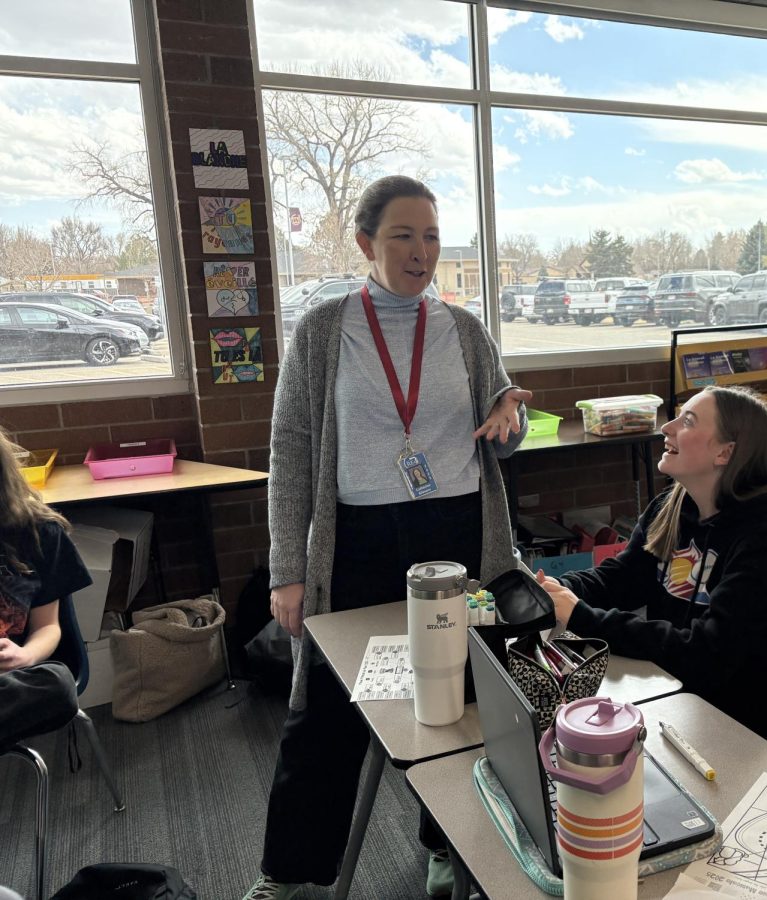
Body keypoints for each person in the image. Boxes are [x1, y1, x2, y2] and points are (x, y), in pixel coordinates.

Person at [245, 175, 531, 900]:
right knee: (331, 707)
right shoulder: (323, 329)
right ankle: (287, 870)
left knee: (460, 700)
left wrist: (510, 426)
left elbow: (505, 432)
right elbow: (290, 451)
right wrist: (286, 569)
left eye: (432, 236)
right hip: (358, 537)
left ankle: (447, 841)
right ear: (367, 243)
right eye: (403, 235)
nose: (421, 251)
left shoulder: (466, 332)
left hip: (458, 530)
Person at [538, 386, 767, 778]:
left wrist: (581, 617)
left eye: (689, 422)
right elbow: (624, 578)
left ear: (725, 453)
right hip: (687, 698)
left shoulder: (765, 536)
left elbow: (708, 654)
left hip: (749, 726)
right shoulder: (675, 504)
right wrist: (557, 590)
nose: (668, 427)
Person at [0, 430, 92, 753]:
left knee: (58, 684)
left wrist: (23, 656)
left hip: (13, 679)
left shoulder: (38, 533)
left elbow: (49, 627)